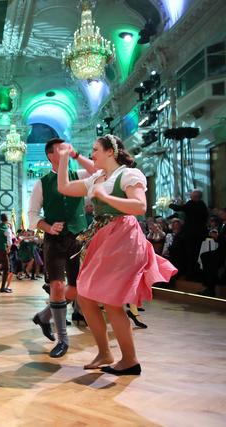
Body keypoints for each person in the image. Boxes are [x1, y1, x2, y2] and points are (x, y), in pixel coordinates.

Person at [57, 134, 177, 375]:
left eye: (95, 150)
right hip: (104, 238)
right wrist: (62, 160)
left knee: (111, 302)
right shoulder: (98, 178)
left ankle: (130, 360)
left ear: (110, 151)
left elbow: (140, 206)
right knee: (85, 296)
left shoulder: (129, 175)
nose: (91, 154)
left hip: (123, 237)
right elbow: (64, 188)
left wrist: (105, 197)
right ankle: (105, 352)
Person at [28, 138, 96, 358]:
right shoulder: (42, 183)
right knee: (57, 285)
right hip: (54, 240)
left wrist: (76, 155)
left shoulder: (81, 176)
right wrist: (48, 226)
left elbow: (97, 170)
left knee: (76, 289)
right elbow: (32, 215)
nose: (66, 151)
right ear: (51, 156)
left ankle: (44, 316)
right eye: (61, 149)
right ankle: (62, 339)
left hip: (77, 238)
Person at [169, 190, 209, 279]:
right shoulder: (202, 205)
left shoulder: (192, 204)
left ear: (196, 196)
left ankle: (191, 273)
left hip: (192, 234)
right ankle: (191, 272)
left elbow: (179, 208)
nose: (190, 197)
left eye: (192, 196)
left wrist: (171, 204)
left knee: (191, 254)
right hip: (199, 234)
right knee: (193, 254)